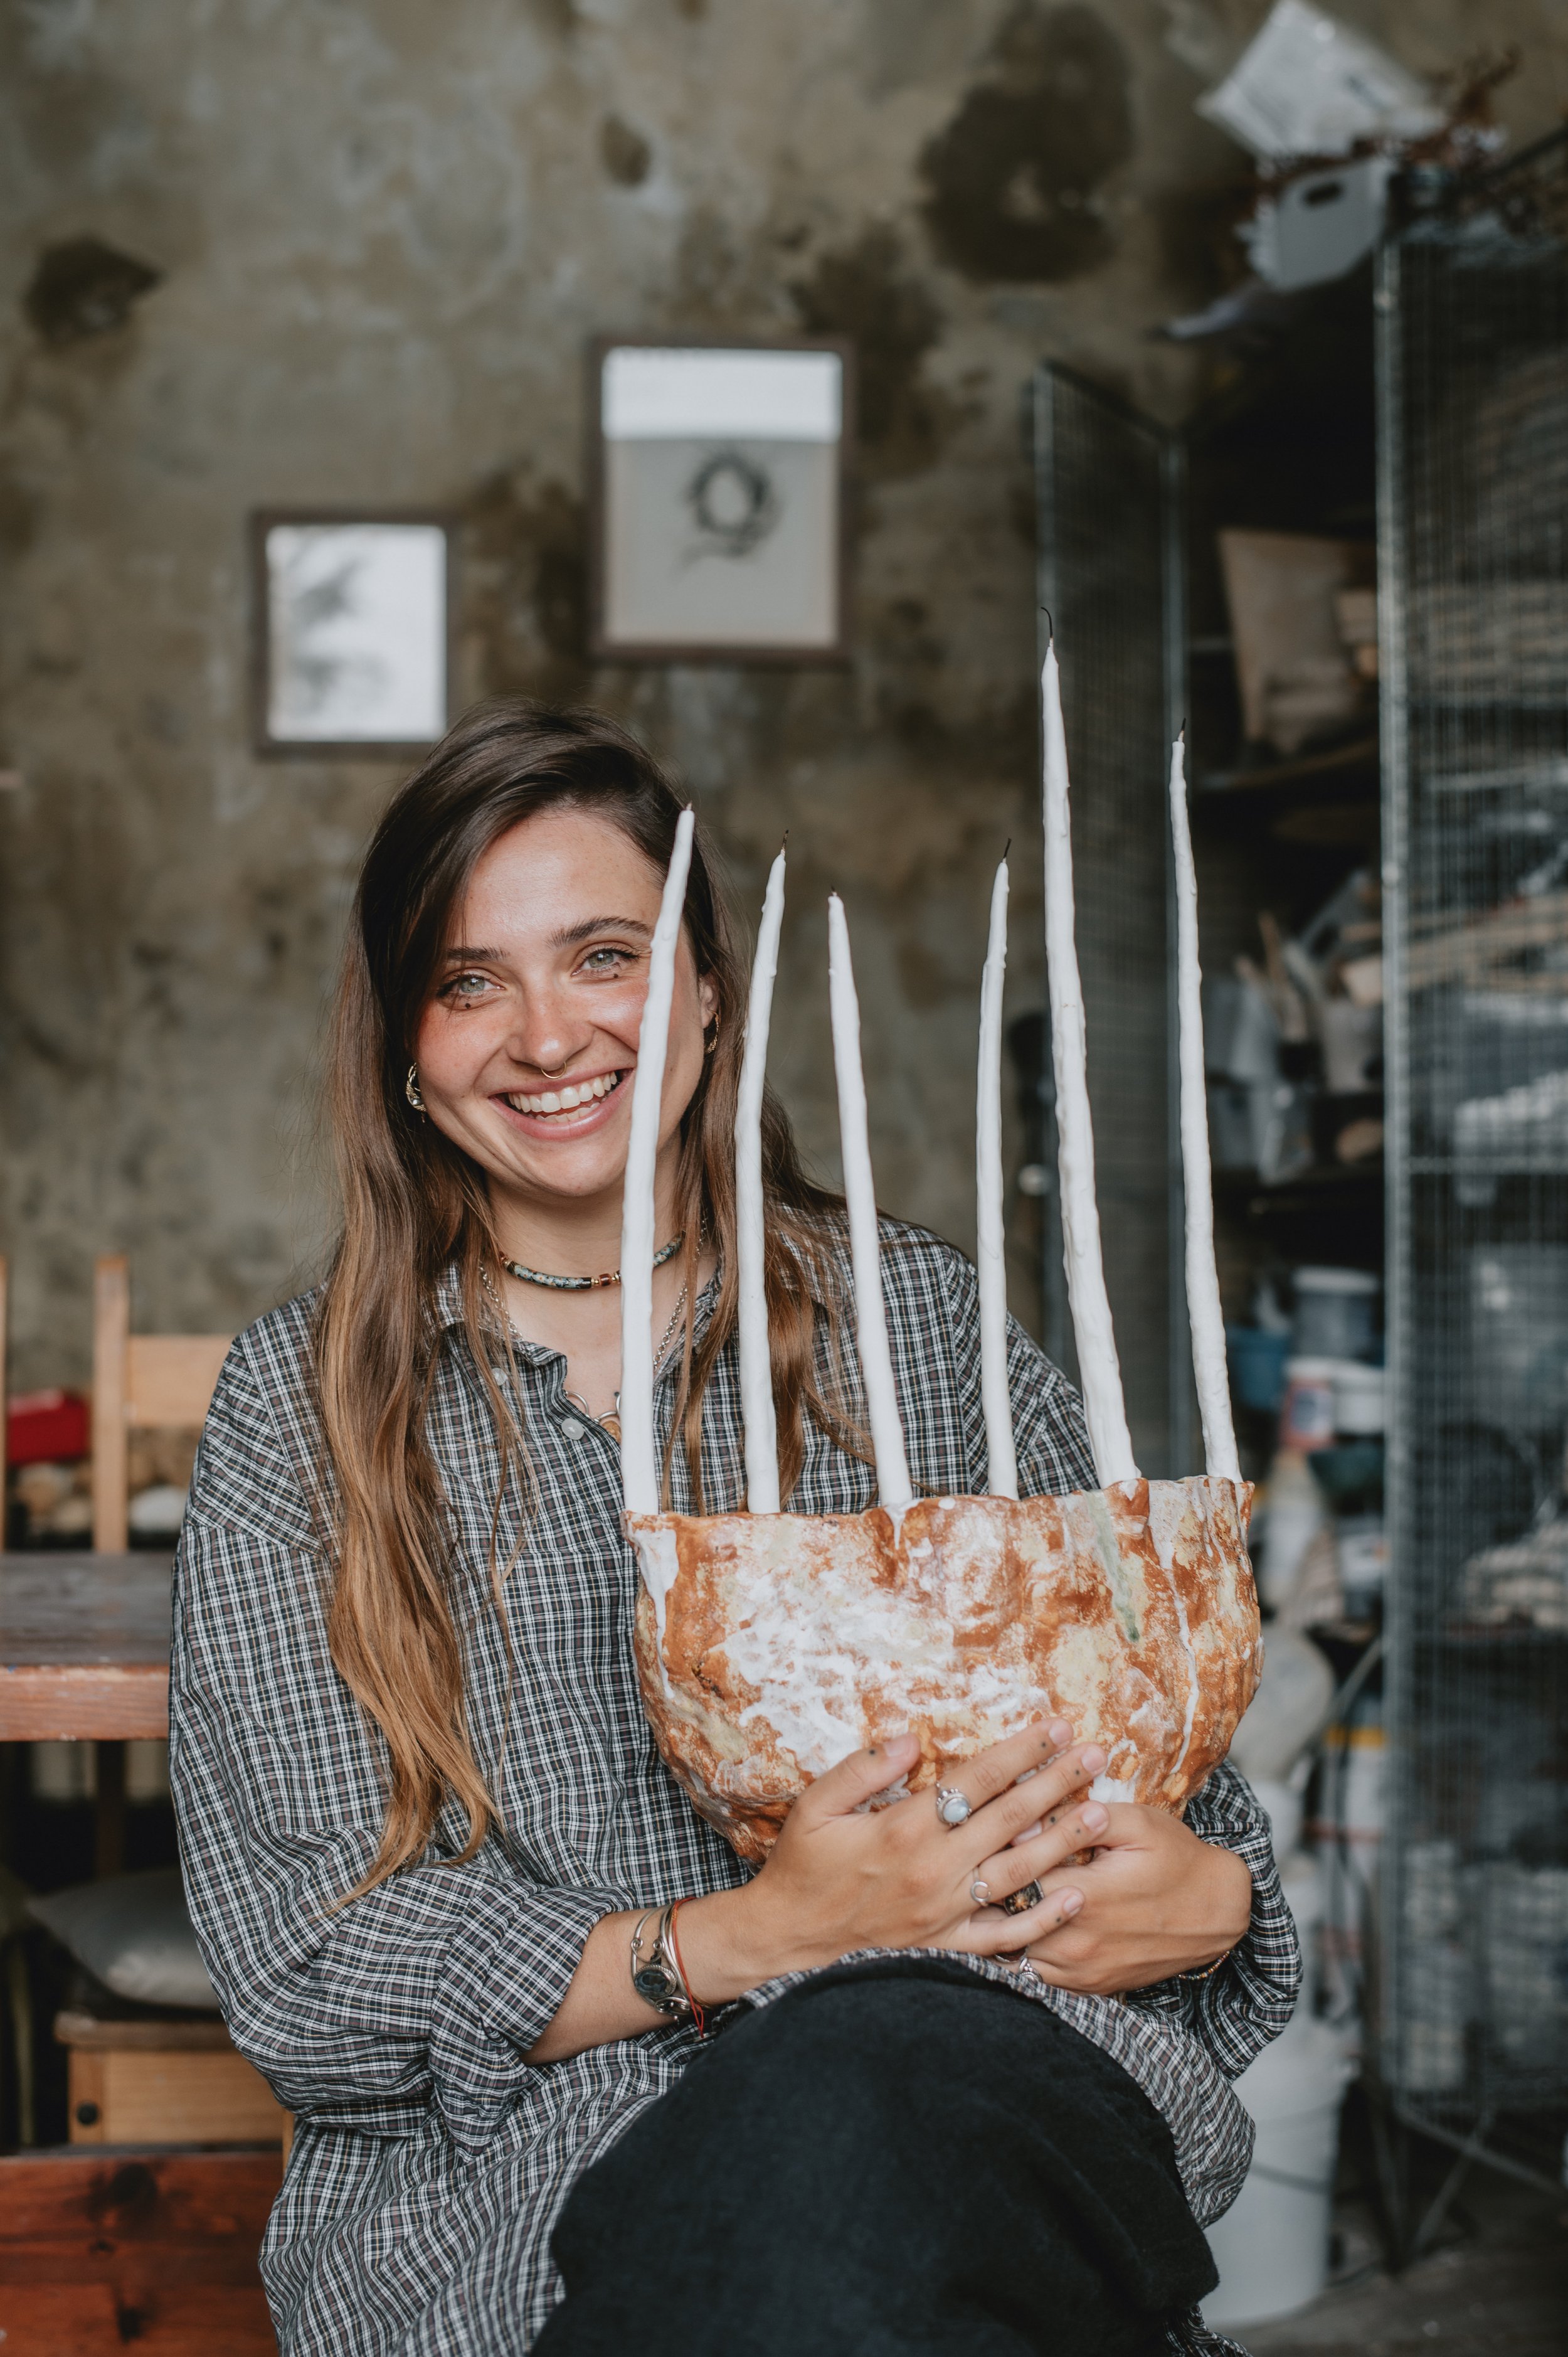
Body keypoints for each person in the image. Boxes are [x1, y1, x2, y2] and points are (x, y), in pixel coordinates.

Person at [170, 700, 1299, 2357]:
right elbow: (306, 1964)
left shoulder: (912, 1326)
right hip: (522, 2199)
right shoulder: (301, 1409)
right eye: (470, 980)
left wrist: (1203, 1901)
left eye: (603, 954)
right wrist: (749, 1941)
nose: (545, 1033)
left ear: (704, 984)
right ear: (407, 1047)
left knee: (860, 2090)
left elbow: (1185, 1811)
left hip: (975, 2091)